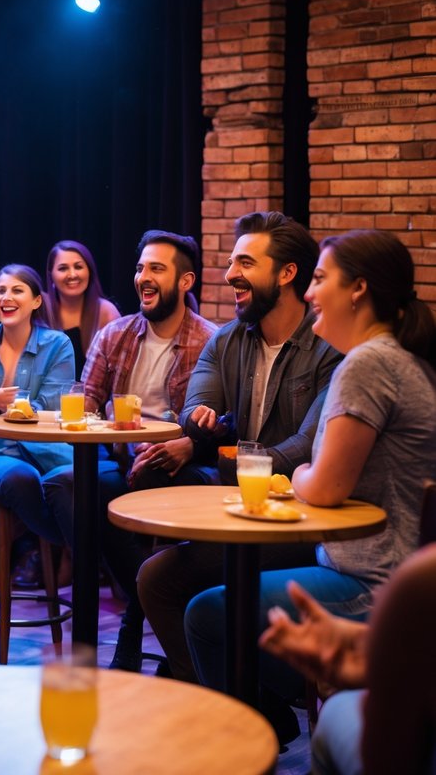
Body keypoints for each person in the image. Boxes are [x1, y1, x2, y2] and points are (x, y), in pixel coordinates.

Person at [184, 229, 436, 736]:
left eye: (321, 279)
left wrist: (299, 473)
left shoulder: (368, 363)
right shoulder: (388, 359)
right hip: (383, 573)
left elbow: (323, 488)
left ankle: (248, 744)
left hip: (375, 585)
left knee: (208, 616)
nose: (312, 294)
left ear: (358, 289)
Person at [137, 211, 343, 704]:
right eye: (231, 262)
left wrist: (231, 458)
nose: (230, 274)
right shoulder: (227, 339)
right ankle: (236, 707)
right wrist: (200, 419)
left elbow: (305, 449)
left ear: (287, 273)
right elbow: (194, 406)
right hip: (245, 511)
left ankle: (247, 702)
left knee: (164, 580)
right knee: (157, 571)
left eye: (245, 262)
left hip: (303, 519)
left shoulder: (330, 348)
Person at [42, 230, 217, 670]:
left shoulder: (211, 340)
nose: (143, 276)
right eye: (140, 268)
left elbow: (215, 421)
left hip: (178, 467)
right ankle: (138, 598)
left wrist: (183, 444)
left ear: (185, 281)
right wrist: (86, 414)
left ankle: (132, 629)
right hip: (123, 462)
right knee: (63, 485)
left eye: (156, 268)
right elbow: (83, 400)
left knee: (136, 490)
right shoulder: (115, 334)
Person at [261, 546, 436, 775]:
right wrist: (375, 651)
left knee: (337, 709)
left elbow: (388, 761)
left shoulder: (422, 579)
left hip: (372, 575)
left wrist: (388, 675)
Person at [0, 264, 74, 547]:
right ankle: (79, 549)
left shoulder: (58, 344)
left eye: (17, 290)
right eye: (0, 291)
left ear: (36, 301)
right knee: (21, 479)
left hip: (49, 454)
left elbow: (50, 406)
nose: (6, 297)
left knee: (70, 481)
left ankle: (77, 555)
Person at [44, 240, 120, 379]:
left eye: (78, 267)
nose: (72, 274)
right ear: (51, 275)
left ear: (89, 271)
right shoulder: (41, 309)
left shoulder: (106, 311)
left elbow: (119, 370)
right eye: (63, 268)